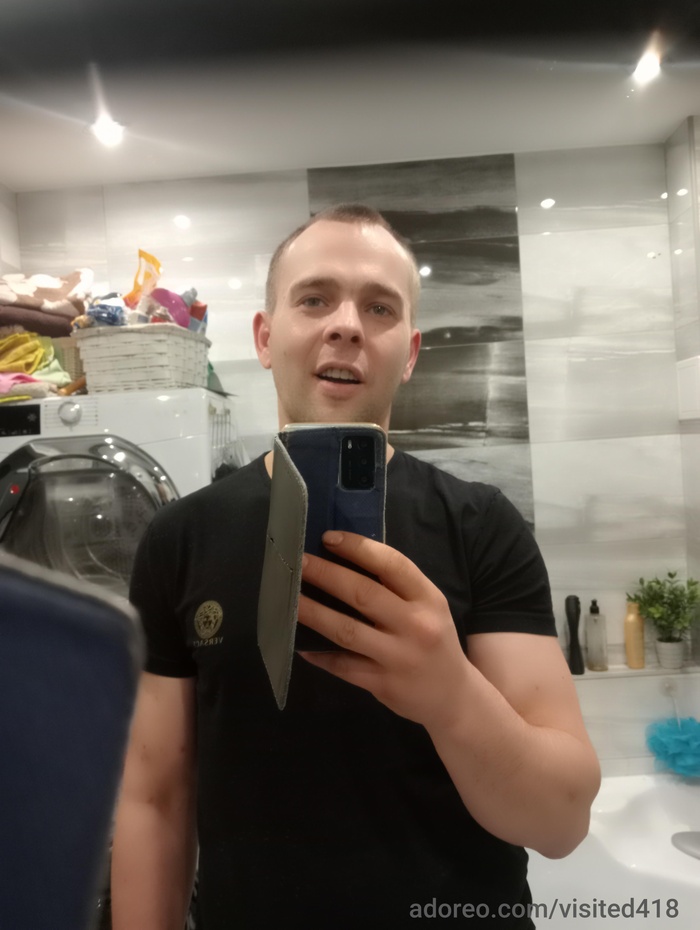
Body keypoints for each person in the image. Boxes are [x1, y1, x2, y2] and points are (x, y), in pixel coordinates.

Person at [111, 203, 600, 929]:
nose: (346, 324)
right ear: (266, 337)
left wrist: (449, 694)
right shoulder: (181, 537)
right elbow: (154, 798)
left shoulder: (481, 525)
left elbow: (561, 823)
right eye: (315, 299)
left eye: (379, 307)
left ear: (410, 353)